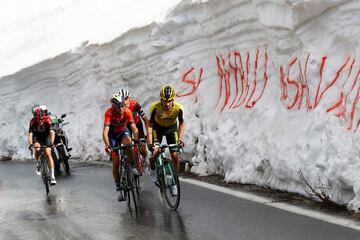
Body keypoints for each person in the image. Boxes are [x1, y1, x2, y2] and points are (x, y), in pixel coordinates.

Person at [147, 84, 185, 195]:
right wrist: (150, 142)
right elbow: (150, 125)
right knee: (156, 150)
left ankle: (175, 182)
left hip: (171, 129)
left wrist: (180, 140)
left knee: (174, 154)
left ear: (173, 99)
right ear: (161, 99)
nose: (167, 104)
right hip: (157, 129)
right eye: (164, 101)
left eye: (169, 101)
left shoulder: (178, 108)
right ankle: (153, 168)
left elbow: (182, 123)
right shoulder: (155, 107)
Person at [102, 93, 139, 201]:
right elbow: (105, 132)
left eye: (123, 105)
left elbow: (134, 128)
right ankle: (118, 187)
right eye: (120, 106)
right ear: (114, 107)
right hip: (112, 136)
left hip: (123, 132)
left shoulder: (127, 111)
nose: (123, 108)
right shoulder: (109, 113)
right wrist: (107, 145)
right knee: (116, 162)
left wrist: (136, 139)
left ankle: (133, 166)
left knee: (128, 144)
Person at [28, 105, 57, 185]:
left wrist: (51, 142)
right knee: (37, 149)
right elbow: (30, 135)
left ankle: (52, 176)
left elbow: (51, 132)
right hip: (37, 137)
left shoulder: (47, 120)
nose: (40, 120)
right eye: (38, 119)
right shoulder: (32, 121)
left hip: (46, 136)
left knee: (48, 152)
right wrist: (31, 144)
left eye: (41, 119)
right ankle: (38, 163)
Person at [118, 88, 150, 160]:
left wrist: (148, 133)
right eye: (122, 99)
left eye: (126, 99)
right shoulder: (118, 107)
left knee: (143, 148)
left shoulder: (135, 105)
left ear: (129, 98)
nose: (124, 101)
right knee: (128, 145)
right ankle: (130, 164)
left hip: (137, 124)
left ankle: (144, 161)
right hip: (126, 126)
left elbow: (145, 119)